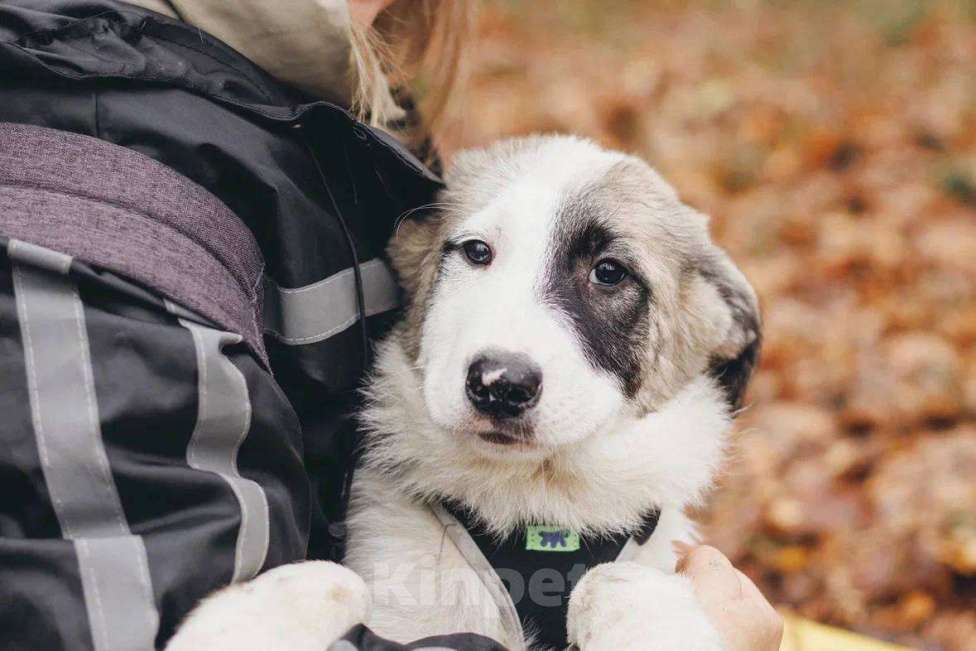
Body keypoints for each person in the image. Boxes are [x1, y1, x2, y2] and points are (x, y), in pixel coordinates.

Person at [0, 1, 781, 649]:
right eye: (477, 253)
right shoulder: (95, 185)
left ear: (715, 320)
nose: (508, 360)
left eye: (609, 276)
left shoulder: (348, 127)